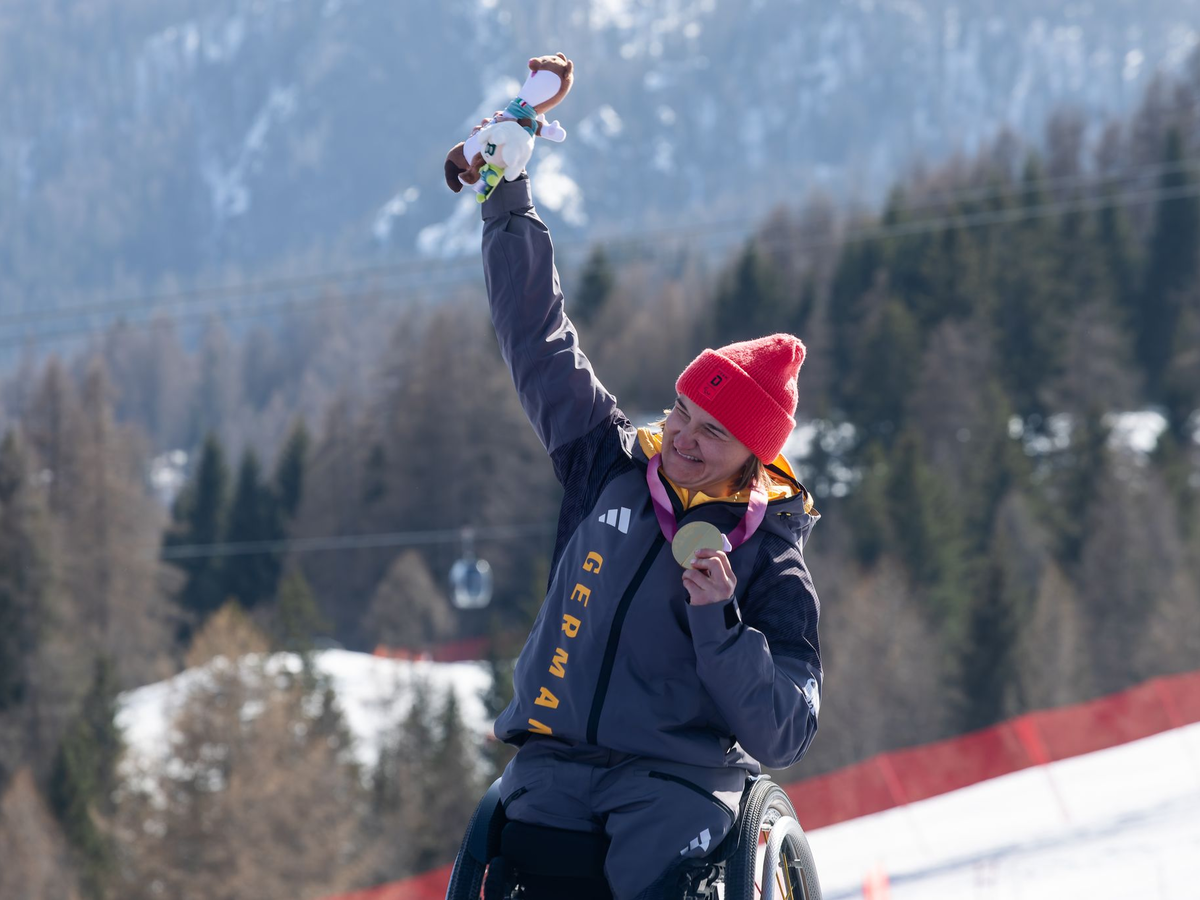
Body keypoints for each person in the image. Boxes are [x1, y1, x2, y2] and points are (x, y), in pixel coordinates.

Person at [481, 171, 822, 900]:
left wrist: (720, 624)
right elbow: (539, 341)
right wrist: (508, 201)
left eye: (714, 433)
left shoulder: (771, 554)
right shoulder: (606, 462)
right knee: (532, 867)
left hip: (679, 781)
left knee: (658, 880)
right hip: (557, 764)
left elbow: (785, 731)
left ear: (755, 456)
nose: (683, 439)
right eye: (681, 412)